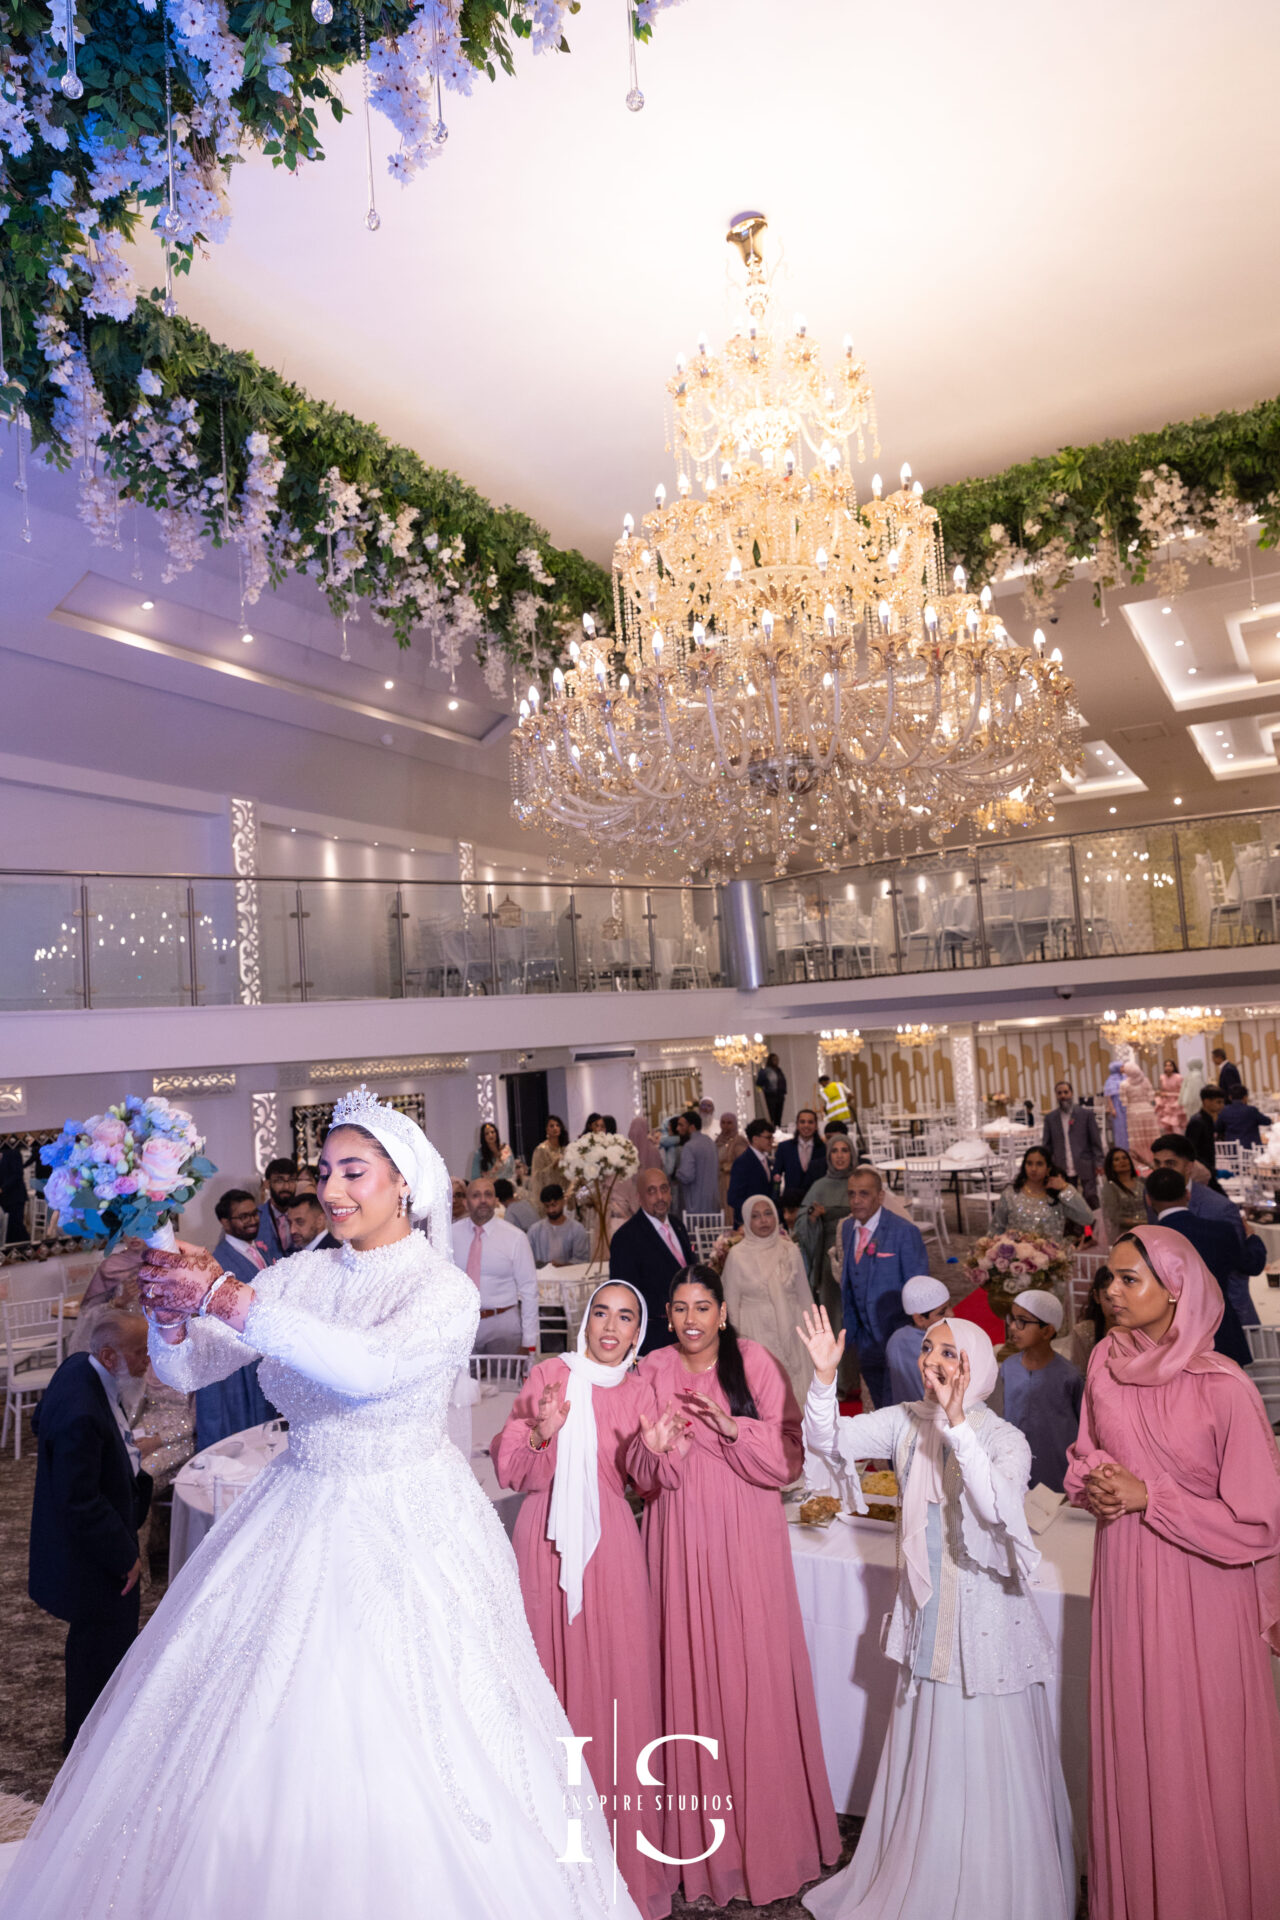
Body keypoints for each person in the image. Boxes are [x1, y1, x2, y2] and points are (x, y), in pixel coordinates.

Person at [3, 1089, 642, 1920]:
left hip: (407, 1525)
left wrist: (226, 1296)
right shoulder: (299, 1274)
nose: (333, 1190)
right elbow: (190, 1369)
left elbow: (368, 1369)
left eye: (354, 1171)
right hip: (295, 1511)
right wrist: (169, 1303)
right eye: (326, 1172)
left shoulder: (439, 1290)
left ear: (404, 1183)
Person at [799, 1305, 1074, 1920]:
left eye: (949, 1352)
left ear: (976, 1367)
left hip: (984, 1631)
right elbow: (829, 1440)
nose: (933, 1361)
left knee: (983, 1757)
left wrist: (956, 1423)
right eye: (928, 1349)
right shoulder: (905, 1421)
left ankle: (990, 1894)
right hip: (927, 1620)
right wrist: (823, 1379)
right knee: (930, 1751)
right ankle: (924, 1869)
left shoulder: (1003, 1439)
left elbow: (996, 1507)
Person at [1065, 1226, 1280, 1920]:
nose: (1111, 1291)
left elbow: (1259, 1524)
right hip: (1125, 1575)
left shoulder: (1225, 1388)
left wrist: (1151, 1498)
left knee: (1201, 1745)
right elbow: (1085, 1452)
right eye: (1110, 1277)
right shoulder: (1104, 1361)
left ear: (1178, 1289)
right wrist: (1094, 1483)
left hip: (1206, 1586)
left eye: (1130, 1279)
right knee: (1137, 1741)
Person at [629, 1268, 840, 1905]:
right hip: (675, 1540)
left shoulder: (754, 1362)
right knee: (687, 1671)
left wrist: (731, 1429)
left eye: (703, 1307)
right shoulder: (651, 1370)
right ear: (668, 1315)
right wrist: (654, 1451)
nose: (692, 1319)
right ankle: (699, 1848)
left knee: (752, 1673)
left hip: (748, 1542)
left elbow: (787, 1459)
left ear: (723, 1312)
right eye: (680, 1308)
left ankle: (771, 1842)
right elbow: (638, 1475)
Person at [493, 1282, 675, 1920]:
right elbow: (512, 1470)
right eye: (601, 1313)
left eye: (625, 1318)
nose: (610, 1327)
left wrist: (653, 1452)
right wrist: (541, 1433)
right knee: (542, 1688)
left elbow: (650, 1481)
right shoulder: (550, 1374)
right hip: (541, 1545)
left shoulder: (641, 1390)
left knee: (614, 1688)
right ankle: (545, 1868)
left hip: (611, 1551)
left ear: (637, 1333)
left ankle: (616, 1865)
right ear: (586, 1319)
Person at [26, 1311, 156, 1751]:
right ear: (109, 1355)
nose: (148, 1361)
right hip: (94, 1557)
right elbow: (80, 1502)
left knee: (93, 1648)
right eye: (140, 1352)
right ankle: (87, 1749)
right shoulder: (82, 1413)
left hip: (90, 1543)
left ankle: (94, 1740)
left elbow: (38, 1421)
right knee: (101, 1652)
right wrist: (126, 1557)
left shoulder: (76, 1367)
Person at [1144, 1165, 1259, 1364]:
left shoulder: (1145, 1241)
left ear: (1148, 1199)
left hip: (1171, 1336)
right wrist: (1252, 1240)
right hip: (1220, 1329)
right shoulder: (1221, 1231)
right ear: (1187, 1194)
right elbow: (1251, 1265)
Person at [840, 1165, 929, 1411]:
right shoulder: (847, 1229)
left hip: (897, 1336)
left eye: (864, 1193)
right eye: (851, 1194)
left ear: (880, 1196)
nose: (856, 1200)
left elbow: (919, 1289)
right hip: (864, 1340)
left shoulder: (904, 1232)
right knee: (881, 1405)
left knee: (903, 1406)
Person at [196, 1189, 280, 1447]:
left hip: (267, 1349)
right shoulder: (220, 1261)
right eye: (243, 1217)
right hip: (243, 1356)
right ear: (225, 1222)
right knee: (250, 1431)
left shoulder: (260, 1250)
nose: (252, 1220)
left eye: (254, 1213)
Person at [1148, 1134, 1260, 1324]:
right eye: (1157, 1164)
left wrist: (1233, 1316)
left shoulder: (1219, 1207)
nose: (1162, 1170)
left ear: (1189, 1167)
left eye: (1170, 1163)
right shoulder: (1153, 1192)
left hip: (1218, 1315)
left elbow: (1236, 1272)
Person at [720, 1196, 814, 1407]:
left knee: (797, 1393)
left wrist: (814, 1334)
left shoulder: (789, 1250)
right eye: (756, 1216)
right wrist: (734, 1344)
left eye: (768, 1213)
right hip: (755, 1333)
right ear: (746, 1220)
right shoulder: (737, 1255)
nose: (763, 1220)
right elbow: (731, 1305)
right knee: (765, 1396)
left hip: (793, 1330)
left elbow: (804, 1295)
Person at [792, 1132, 858, 1398]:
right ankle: (838, 1380)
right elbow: (800, 1224)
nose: (840, 1156)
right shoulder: (819, 1186)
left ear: (852, 1154)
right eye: (835, 1151)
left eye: (845, 1150)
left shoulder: (860, 1181)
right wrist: (812, 1217)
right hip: (830, 1263)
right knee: (834, 1317)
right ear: (829, 1156)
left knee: (858, 1316)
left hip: (859, 1257)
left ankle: (859, 1377)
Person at [999, 1290, 1084, 1493]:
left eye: (1022, 1321)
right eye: (1012, 1319)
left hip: (1055, 1466)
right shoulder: (1008, 1367)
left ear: (1047, 1331)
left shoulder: (1069, 1375)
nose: (1013, 1327)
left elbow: (1082, 1423)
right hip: (1014, 1461)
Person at [450, 1176, 538, 1354]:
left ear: (496, 1201)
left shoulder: (515, 1238)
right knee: (463, 1374)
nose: (483, 1200)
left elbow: (529, 1290)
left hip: (503, 1325)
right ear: (466, 1202)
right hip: (460, 1325)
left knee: (504, 1374)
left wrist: (529, 1341)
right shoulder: (450, 1235)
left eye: (488, 1194)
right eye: (476, 1195)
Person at [606, 1168, 690, 1355]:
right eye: (651, 1191)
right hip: (654, 1338)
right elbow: (625, 1295)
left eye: (664, 1189)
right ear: (639, 1198)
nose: (660, 1197)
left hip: (688, 1331)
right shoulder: (626, 1238)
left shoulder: (678, 1226)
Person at [993, 1145, 1094, 1240]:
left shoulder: (1056, 1197)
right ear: (1024, 1166)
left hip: (1052, 1252)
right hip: (1016, 1252)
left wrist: (1065, 1188)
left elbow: (1087, 1218)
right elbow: (996, 1230)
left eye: (1039, 1164)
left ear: (1048, 1169)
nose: (1033, 1169)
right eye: (1029, 1163)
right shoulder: (1010, 1194)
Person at [883, 1274, 950, 1406]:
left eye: (949, 1306)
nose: (951, 1314)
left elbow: (888, 1389)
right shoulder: (941, 1342)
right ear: (919, 1319)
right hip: (937, 1415)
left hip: (903, 1415)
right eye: (942, 1313)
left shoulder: (895, 1339)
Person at [1041, 1079, 1104, 1206]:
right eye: (1059, 1093)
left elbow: (1095, 1141)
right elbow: (1047, 1145)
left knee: (1091, 1197)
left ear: (1072, 1093)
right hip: (1062, 1165)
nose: (1063, 1096)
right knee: (1068, 1200)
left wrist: (1099, 1162)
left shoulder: (1086, 1115)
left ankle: (1093, 1219)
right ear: (1056, 1095)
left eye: (1066, 1092)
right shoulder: (1050, 1118)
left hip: (1085, 1162)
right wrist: (1047, 1165)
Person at [670, 1108, 720, 1219]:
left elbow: (687, 1176)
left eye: (681, 1125)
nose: (677, 1129)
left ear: (692, 1127)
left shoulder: (689, 1146)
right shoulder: (711, 1143)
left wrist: (676, 1173)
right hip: (712, 1205)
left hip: (694, 1207)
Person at [726, 1118, 776, 1225]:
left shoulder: (766, 1161)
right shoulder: (743, 1162)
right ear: (755, 1139)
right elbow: (733, 1198)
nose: (771, 1141)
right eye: (768, 1137)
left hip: (765, 1221)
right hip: (748, 1222)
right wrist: (755, 1211)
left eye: (772, 1137)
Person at [527, 1185, 591, 1268]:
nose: (551, 1210)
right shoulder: (534, 1230)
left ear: (563, 1201)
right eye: (547, 1206)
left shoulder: (577, 1229)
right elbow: (527, 1259)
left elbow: (582, 1261)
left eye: (554, 1205)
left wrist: (561, 1267)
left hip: (569, 1275)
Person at [1098, 1145, 1146, 1247]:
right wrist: (1143, 1222)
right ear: (1111, 1166)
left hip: (1148, 1230)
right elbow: (1115, 1217)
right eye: (1117, 1159)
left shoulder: (1142, 1182)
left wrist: (1146, 1162)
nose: (1122, 1161)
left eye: (1125, 1158)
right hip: (1126, 1235)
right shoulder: (1110, 1187)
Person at [774, 1108, 827, 1196]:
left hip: (816, 1198)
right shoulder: (784, 1148)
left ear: (816, 1126)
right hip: (791, 1199)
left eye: (810, 1122)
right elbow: (776, 1175)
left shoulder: (823, 1149)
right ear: (797, 1125)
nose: (806, 1125)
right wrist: (775, 1197)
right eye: (802, 1122)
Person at [257, 1156, 298, 1263]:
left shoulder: (306, 1216)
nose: (287, 1187)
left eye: (291, 1180)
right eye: (279, 1181)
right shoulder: (255, 1217)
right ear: (267, 1184)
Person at [1121, 1058, 1158, 1168]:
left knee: (1137, 1139)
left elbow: (1124, 1102)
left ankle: (1140, 1162)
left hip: (1134, 1113)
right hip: (1147, 1111)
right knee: (1151, 1137)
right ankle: (1154, 1158)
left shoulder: (1124, 1084)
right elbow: (1151, 1096)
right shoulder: (1146, 1080)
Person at [1184, 1081, 1226, 1180]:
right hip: (1200, 1173)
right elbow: (1191, 1151)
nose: (1222, 1106)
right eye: (1218, 1102)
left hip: (1208, 1170)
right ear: (1206, 1102)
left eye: (1222, 1102)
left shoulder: (1209, 1120)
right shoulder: (1197, 1122)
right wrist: (1212, 1171)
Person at [529, 1114, 569, 1211]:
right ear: (547, 1130)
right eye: (552, 1126)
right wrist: (553, 1166)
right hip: (550, 1195)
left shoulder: (565, 1149)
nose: (555, 1128)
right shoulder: (541, 1150)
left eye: (557, 1125)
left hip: (566, 1193)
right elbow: (536, 1175)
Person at [1217, 1083, 1271, 1151]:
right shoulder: (1251, 1110)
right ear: (1245, 1097)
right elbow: (1267, 1121)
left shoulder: (1224, 1111)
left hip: (1232, 1150)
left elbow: (1218, 1128)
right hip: (1251, 1150)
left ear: (1230, 1097)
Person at [284, 1189, 339, 1254]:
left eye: (300, 1222)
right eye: (289, 1223)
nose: (292, 1231)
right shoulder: (292, 1250)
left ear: (320, 1220)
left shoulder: (334, 1255)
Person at [715, 1111, 747, 1210]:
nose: (726, 1126)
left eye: (729, 1123)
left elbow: (744, 1164)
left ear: (735, 1124)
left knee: (730, 1210)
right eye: (723, 1122)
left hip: (732, 1182)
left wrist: (725, 1167)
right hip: (719, 1182)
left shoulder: (739, 1141)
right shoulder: (718, 1140)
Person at [468, 1120, 515, 1184]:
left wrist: (496, 1179)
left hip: (506, 1184)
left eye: (492, 1132)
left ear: (496, 1133)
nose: (490, 1135)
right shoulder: (479, 1154)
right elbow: (475, 1177)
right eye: (487, 1134)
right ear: (483, 1137)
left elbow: (511, 1170)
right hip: (488, 1186)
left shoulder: (506, 1149)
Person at [0, 1137, 28, 1241]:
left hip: (15, 1196)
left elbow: (17, 1174)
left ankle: (26, 1247)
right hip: (4, 1198)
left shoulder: (13, 1151)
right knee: (6, 1228)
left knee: (16, 1226)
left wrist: (2, 1188)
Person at [1102, 1059, 1128, 1153]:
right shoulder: (1111, 1080)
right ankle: (1121, 1149)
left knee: (1128, 1128)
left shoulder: (1125, 1077)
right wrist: (1112, 1108)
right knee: (1119, 1128)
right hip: (1117, 1106)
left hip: (1126, 1104)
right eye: (1121, 1067)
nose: (1123, 1068)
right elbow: (1109, 1096)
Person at [755, 1050, 787, 1128]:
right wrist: (761, 1095)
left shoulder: (779, 1070)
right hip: (770, 1096)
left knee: (778, 1115)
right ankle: (770, 1129)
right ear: (770, 1060)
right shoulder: (765, 1071)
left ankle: (778, 1128)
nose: (776, 1061)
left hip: (780, 1095)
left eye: (777, 1059)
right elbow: (758, 1084)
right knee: (771, 1115)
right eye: (774, 1060)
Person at [1154, 1057, 1183, 1132]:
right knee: (1167, 1126)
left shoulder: (1178, 1077)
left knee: (1175, 1125)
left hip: (1175, 1103)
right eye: (1166, 1065)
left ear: (1173, 1067)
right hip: (1165, 1103)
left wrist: (1168, 1094)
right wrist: (1159, 1094)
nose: (1168, 1067)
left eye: (1170, 1065)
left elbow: (1182, 1092)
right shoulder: (1162, 1077)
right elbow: (1161, 1089)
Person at [1178, 1055, 1205, 1121]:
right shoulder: (1196, 1075)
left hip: (1192, 1101)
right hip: (1194, 1102)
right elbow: (1196, 1092)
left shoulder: (1194, 1074)